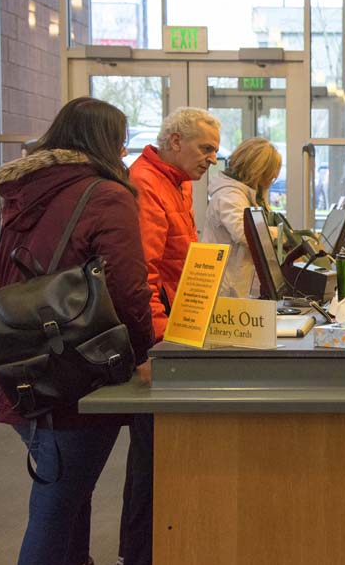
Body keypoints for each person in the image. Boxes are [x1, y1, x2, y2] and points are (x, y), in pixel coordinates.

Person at [0, 97, 155, 565]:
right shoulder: (106, 195)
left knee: (69, 500)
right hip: (77, 365)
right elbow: (126, 287)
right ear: (105, 142)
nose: (123, 156)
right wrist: (142, 354)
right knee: (57, 510)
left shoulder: (23, 191)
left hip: (19, 359)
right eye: (120, 144)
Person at [121, 107, 221, 565]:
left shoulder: (176, 183)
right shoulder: (147, 183)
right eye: (206, 149)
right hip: (162, 340)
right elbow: (143, 274)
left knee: (159, 453)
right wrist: (158, 345)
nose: (211, 159)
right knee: (151, 455)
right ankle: (141, 553)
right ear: (175, 141)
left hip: (180, 329)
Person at [202, 137, 282, 298]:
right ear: (258, 171)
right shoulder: (229, 195)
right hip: (227, 288)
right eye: (269, 176)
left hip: (239, 283)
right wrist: (280, 234)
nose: (271, 180)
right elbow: (245, 233)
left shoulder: (245, 193)